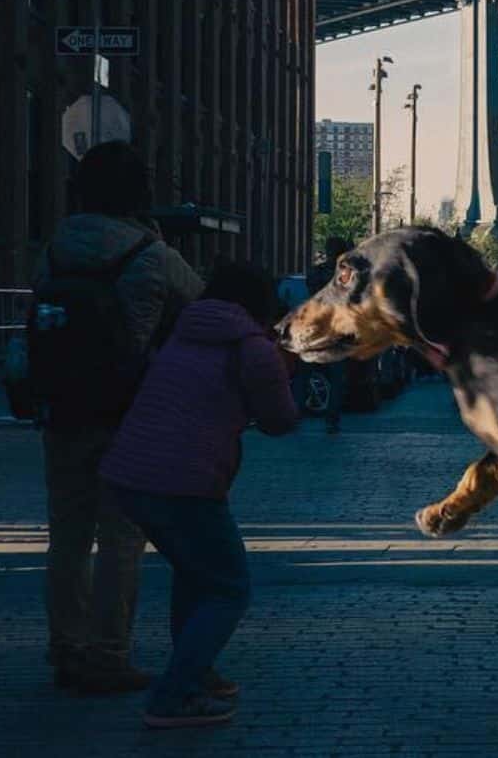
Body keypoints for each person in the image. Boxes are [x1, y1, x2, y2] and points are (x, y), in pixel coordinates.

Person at [100, 261, 300, 729]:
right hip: (186, 483)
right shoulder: (254, 348)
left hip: (129, 475)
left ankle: (195, 672)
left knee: (193, 574)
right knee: (230, 588)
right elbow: (281, 422)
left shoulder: (182, 332)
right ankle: (171, 696)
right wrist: (283, 369)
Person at [35, 141, 203, 693]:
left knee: (67, 535)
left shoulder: (57, 246)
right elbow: (201, 305)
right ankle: (109, 653)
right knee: (122, 538)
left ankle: (66, 648)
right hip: (130, 410)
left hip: (63, 408)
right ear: (138, 193)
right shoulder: (150, 254)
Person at [304, 236, 364, 432]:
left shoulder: (317, 272)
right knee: (337, 377)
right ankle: (332, 417)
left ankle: (297, 411)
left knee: (305, 372)